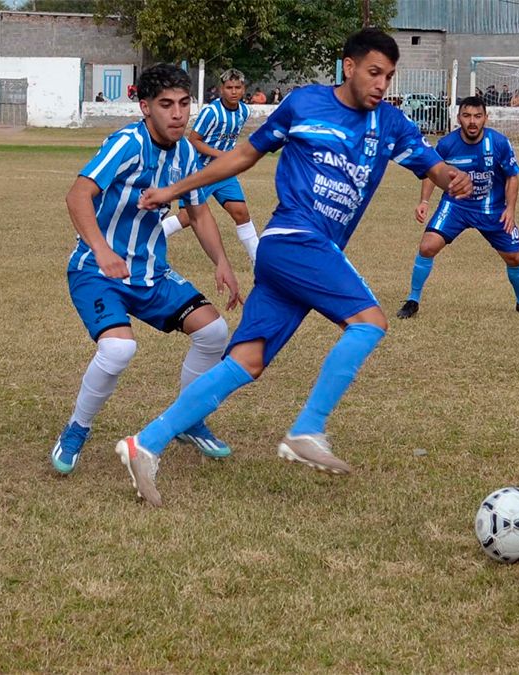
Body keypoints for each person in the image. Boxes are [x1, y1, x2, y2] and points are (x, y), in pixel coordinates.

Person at [118, 28, 472, 507]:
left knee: (248, 361)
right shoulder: (303, 105)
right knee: (370, 322)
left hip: (301, 255)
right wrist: (175, 190)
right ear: (348, 67)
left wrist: (454, 179)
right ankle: (308, 428)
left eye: (388, 76)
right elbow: (243, 156)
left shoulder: (391, 124)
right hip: (293, 239)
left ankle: (146, 444)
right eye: (373, 72)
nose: (381, 84)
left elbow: (434, 167)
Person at [50, 63, 241, 476]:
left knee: (213, 332)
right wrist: (101, 251)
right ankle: (76, 429)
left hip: (152, 273)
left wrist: (223, 262)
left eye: (184, 104)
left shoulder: (188, 152)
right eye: (166, 104)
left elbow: (199, 211)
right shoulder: (127, 144)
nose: (177, 114)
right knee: (118, 349)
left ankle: (188, 420)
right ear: (145, 107)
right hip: (96, 270)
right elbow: (78, 195)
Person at [396, 96, 519, 319]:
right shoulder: (447, 144)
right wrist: (424, 201)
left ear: (485, 118)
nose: (472, 121)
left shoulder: (499, 143)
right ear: (459, 117)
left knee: (515, 258)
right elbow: (432, 172)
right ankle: (412, 300)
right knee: (427, 247)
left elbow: (512, 177)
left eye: (478, 116)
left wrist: (510, 209)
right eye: (467, 116)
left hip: (492, 209)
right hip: (456, 207)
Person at [159, 68, 260, 265]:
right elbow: (194, 140)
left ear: (243, 89)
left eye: (237, 87)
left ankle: (258, 259)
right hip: (201, 171)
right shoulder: (211, 112)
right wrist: (221, 155)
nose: (233, 91)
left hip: (224, 172)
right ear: (222, 89)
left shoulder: (244, 111)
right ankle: (144, 239)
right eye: (229, 87)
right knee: (187, 217)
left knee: (241, 212)